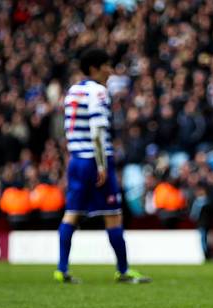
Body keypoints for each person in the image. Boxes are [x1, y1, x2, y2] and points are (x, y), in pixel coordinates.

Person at [54, 48, 150, 284]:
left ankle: (62, 269)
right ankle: (123, 269)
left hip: (76, 159)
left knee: (72, 214)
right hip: (95, 160)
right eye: (106, 65)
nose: (110, 71)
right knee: (113, 215)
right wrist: (101, 165)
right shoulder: (99, 92)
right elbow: (97, 130)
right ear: (94, 68)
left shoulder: (72, 92)